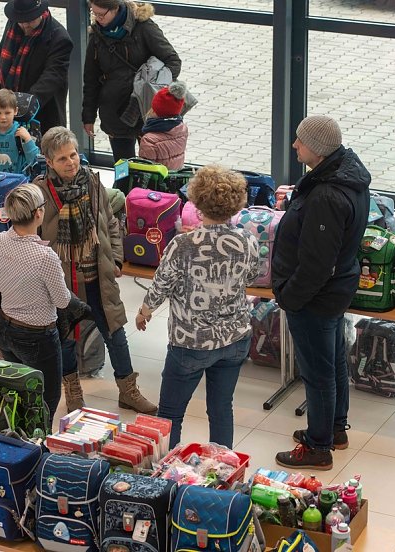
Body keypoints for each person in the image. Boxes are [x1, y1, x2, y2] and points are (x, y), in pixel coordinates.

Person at [32, 126, 158, 415]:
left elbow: (111, 221)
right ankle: (73, 392)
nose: (71, 162)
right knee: (65, 338)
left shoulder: (91, 181)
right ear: (49, 162)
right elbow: (32, 236)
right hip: (62, 281)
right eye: (62, 158)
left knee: (115, 333)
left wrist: (115, 257)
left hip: (97, 278)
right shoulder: (39, 191)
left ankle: (128, 390)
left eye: (73, 155)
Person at [271, 115, 371, 471]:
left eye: (299, 141)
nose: (295, 146)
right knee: (332, 362)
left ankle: (318, 447)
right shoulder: (346, 174)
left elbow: (316, 264)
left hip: (316, 297)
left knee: (318, 372)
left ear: (316, 147)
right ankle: (334, 430)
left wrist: (290, 296)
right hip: (337, 288)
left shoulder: (327, 194)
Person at [135, 166, 259, 448]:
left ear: (198, 202)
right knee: (220, 410)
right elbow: (251, 277)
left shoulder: (183, 244)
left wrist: (145, 311)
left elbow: (161, 285)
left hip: (191, 342)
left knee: (170, 414)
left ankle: (167, 478)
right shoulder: (248, 240)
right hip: (235, 337)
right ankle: (224, 472)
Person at [0, 184, 70, 423]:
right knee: (47, 398)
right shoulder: (45, 257)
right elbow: (62, 301)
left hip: (4, 328)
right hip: (37, 336)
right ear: (38, 214)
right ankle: (38, 444)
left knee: (15, 393)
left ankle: (16, 438)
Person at [83, 0, 181, 163]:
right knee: (124, 172)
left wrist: (152, 89)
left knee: (152, 171)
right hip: (116, 113)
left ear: (115, 9)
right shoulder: (96, 36)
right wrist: (88, 116)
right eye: (94, 13)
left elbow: (173, 62)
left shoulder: (143, 27)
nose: (97, 19)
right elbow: (91, 79)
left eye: (101, 14)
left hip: (148, 112)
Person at [0, 0, 73, 135]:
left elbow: (51, 78)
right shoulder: (15, 23)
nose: (25, 25)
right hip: (10, 112)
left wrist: (21, 104)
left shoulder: (60, 38)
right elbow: (1, 56)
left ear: (41, 13)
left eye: (29, 20)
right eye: (21, 20)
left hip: (41, 115)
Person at [138, 81, 189, 170]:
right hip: (174, 180)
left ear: (155, 110)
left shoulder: (149, 140)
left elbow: (145, 172)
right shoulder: (182, 129)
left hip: (157, 183)